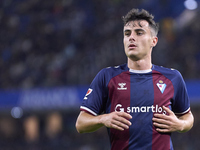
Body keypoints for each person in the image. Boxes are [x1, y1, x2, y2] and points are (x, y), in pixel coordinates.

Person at [75, 8, 194, 150]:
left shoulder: (172, 78)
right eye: (127, 33)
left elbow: (188, 117)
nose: (131, 37)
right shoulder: (107, 77)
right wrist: (103, 119)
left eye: (139, 33)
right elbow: (81, 124)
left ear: (153, 41)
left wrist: (180, 125)